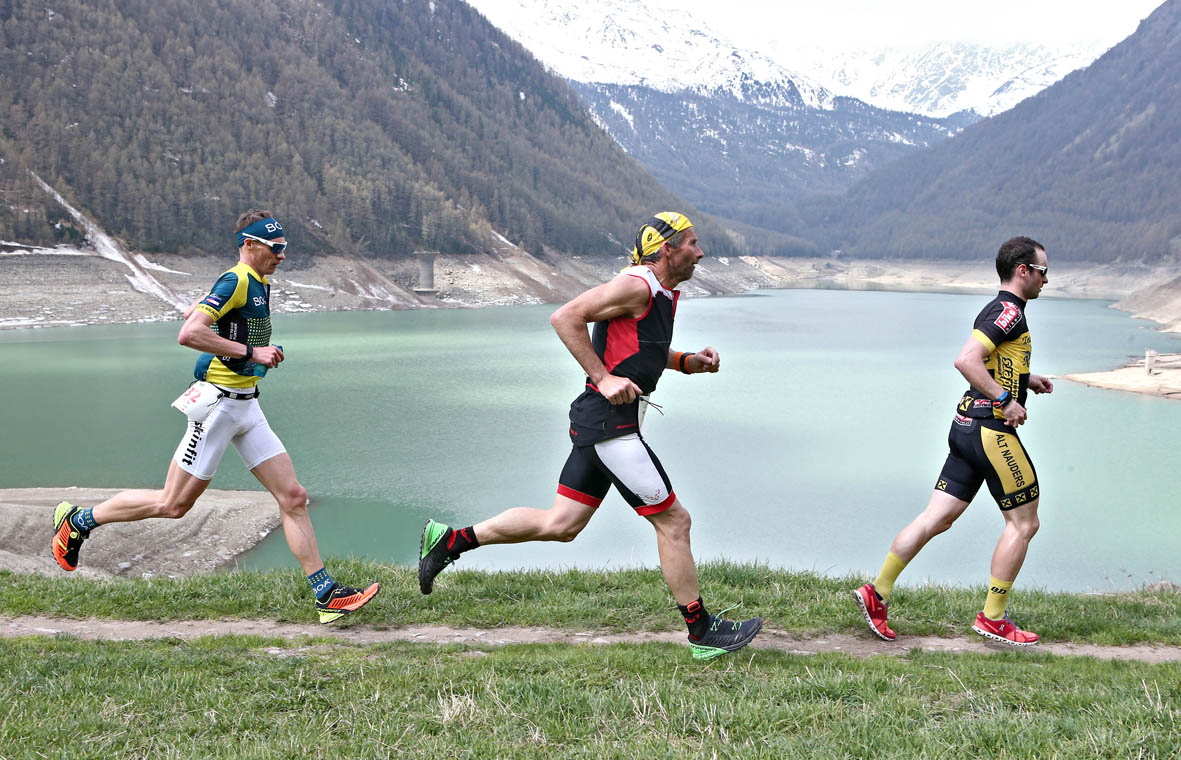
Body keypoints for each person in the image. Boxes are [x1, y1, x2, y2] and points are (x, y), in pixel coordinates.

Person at [418, 212, 762, 660]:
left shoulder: (660, 292)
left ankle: (451, 540)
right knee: (674, 521)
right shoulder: (637, 284)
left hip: (603, 422)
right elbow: (566, 317)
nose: (701, 252)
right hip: (609, 425)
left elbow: (641, 349)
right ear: (667, 250)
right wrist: (601, 378)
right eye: (693, 243)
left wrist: (688, 361)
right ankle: (701, 631)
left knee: (561, 525)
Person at [52, 210, 380, 623]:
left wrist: (251, 347)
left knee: (293, 497)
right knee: (173, 505)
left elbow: (206, 315)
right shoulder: (237, 279)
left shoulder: (257, 282)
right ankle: (77, 522)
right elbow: (189, 333)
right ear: (249, 245)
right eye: (275, 248)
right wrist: (251, 352)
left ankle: (325, 594)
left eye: (285, 249)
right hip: (217, 408)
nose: (282, 256)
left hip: (247, 406)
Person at [853, 236, 1052, 647]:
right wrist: (1005, 400)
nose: (1046, 280)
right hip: (990, 431)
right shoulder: (1009, 311)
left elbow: (995, 359)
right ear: (1023, 271)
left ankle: (878, 592)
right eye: (1043, 271)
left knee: (936, 518)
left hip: (965, 427)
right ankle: (993, 618)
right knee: (1024, 522)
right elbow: (966, 360)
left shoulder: (999, 309)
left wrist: (1025, 381)